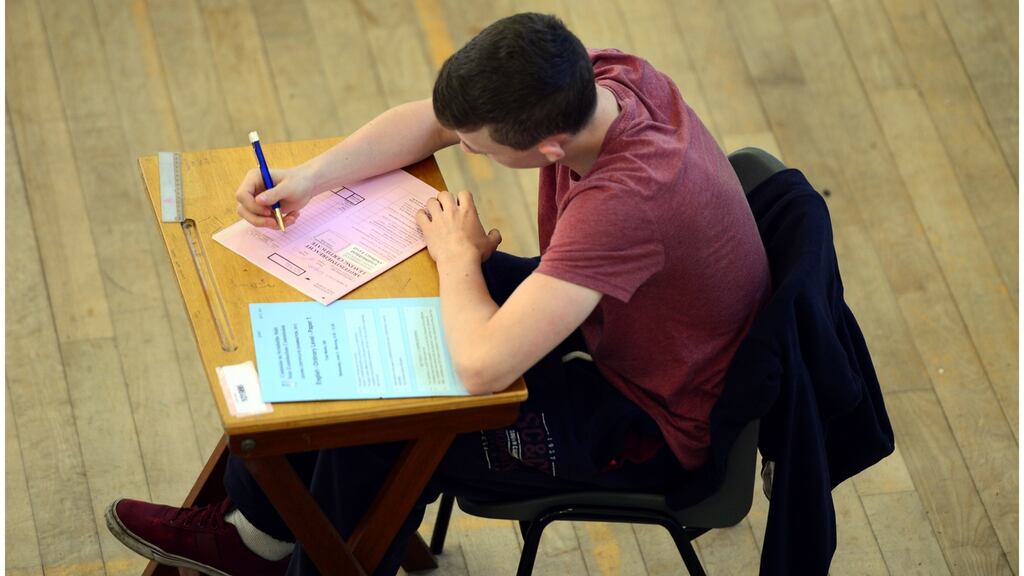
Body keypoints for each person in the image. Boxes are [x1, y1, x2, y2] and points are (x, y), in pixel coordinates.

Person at [105, 12, 770, 576]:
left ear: (548, 147)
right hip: (615, 324)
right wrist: (307, 178)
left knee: (380, 422)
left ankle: (291, 553)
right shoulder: (602, 80)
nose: (467, 153)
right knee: (366, 323)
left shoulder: (625, 206)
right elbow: (431, 123)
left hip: (650, 421)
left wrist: (458, 259)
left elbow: (482, 367)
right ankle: (261, 531)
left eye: (481, 151)